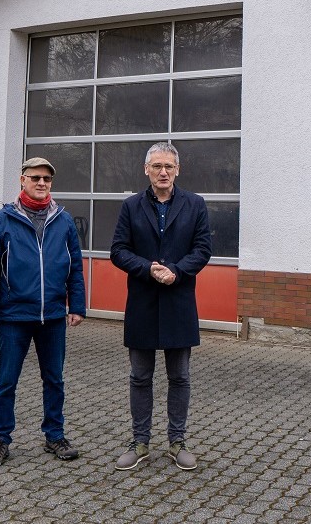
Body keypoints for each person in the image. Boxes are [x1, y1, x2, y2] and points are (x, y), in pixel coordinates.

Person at [0, 157, 86, 469]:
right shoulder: (1, 220)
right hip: (13, 316)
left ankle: (55, 434)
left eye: (47, 179)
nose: (41, 183)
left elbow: (75, 268)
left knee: (54, 378)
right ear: (22, 180)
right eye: (35, 177)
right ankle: (0, 439)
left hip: (52, 316)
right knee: (7, 380)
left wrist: (76, 306)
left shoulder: (63, 221)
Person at [110, 141, 211, 471]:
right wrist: (147, 268)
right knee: (140, 377)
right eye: (157, 166)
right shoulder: (131, 206)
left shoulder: (195, 205)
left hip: (179, 302)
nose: (163, 172)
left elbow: (202, 249)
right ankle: (140, 442)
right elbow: (119, 250)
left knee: (179, 377)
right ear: (146, 170)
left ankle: (177, 442)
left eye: (169, 166)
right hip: (142, 302)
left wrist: (177, 272)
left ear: (177, 170)